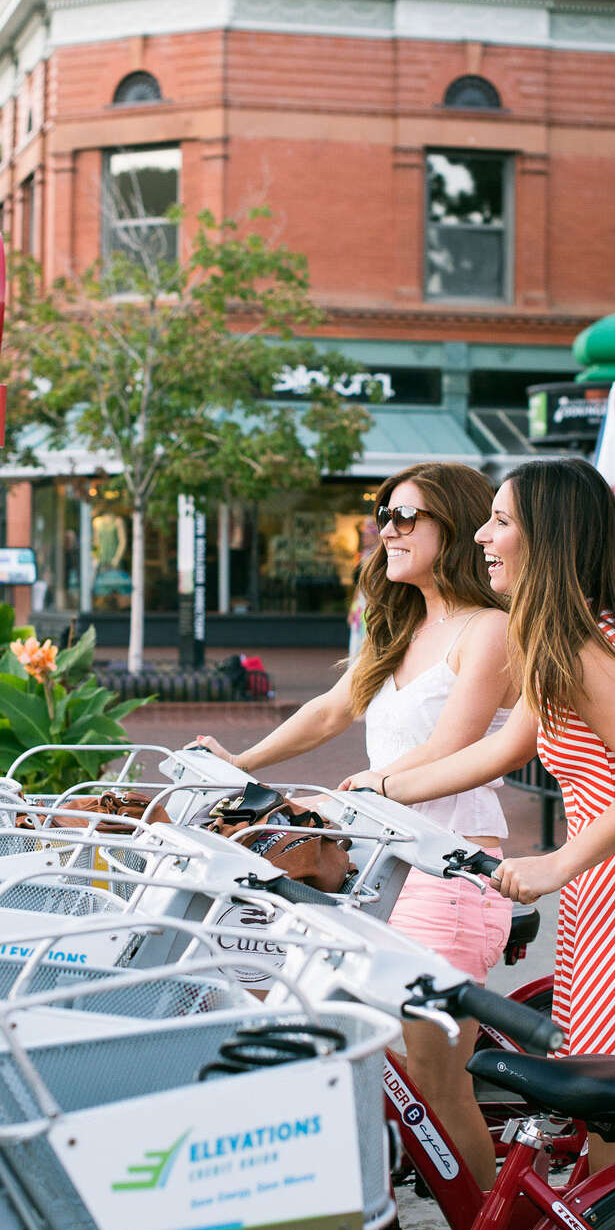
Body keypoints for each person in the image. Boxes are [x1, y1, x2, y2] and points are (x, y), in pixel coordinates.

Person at [354, 458, 615, 1176]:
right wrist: (384, 787)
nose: (484, 537)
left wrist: (557, 862)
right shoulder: (579, 630)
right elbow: (504, 747)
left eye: (502, 521)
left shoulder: (578, 644)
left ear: (547, 536)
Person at [195, 462, 518, 1190]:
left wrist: (371, 789)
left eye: (407, 516)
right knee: (339, 1044)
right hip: (379, 870)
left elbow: (455, 748)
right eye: (385, 512)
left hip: (449, 875)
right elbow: (331, 710)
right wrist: (239, 761)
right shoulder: (401, 626)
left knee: (435, 1086)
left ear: (454, 528)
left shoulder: (489, 629)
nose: (388, 528)